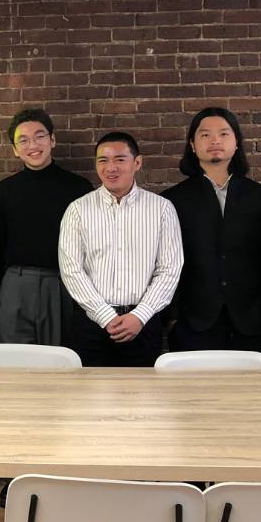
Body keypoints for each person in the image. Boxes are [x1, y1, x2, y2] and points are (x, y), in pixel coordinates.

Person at [161, 107, 261, 363]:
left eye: (223, 134)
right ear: (193, 145)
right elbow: (167, 263)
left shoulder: (260, 197)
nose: (215, 140)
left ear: (236, 142)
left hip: (254, 321)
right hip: (194, 321)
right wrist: (171, 317)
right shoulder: (173, 200)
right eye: (205, 135)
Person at [58, 132, 183, 368]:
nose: (110, 167)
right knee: (89, 399)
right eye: (102, 160)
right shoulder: (78, 210)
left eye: (120, 159)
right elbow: (71, 270)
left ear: (137, 163)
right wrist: (105, 316)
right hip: (91, 323)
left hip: (143, 324)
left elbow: (169, 269)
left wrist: (140, 315)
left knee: (142, 399)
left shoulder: (162, 209)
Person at [0, 108, 93, 346]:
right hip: (15, 283)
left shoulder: (78, 188)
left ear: (52, 140)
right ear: (15, 150)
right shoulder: (5, 190)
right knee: (13, 360)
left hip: (62, 283)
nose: (32, 145)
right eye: (23, 140)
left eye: (39, 136)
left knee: (60, 358)